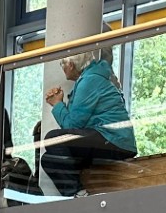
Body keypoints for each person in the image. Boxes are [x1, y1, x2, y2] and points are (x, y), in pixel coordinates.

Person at [40, 47, 137, 196]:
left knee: (52, 138)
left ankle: (79, 193)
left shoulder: (89, 81)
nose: (63, 69)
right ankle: (77, 193)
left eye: (62, 65)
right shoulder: (90, 79)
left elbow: (73, 125)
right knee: (48, 160)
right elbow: (77, 124)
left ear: (70, 65)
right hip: (107, 138)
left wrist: (57, 104)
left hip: (113, 139)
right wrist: (60, 103)